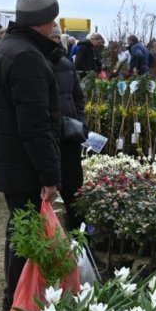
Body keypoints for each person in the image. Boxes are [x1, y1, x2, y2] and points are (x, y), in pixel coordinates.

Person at [0, 0, 62, 311]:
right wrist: (49, 175)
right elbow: (35, 125)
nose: (55, 25)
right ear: (40, 21)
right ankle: (18, 303)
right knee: (25, 234)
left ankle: (16, 300)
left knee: (19, 229)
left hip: (8, 158)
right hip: (22, 163)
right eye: (52, 19)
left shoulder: (7, 47)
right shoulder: (27, 57)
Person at [53, 31, 87, 231]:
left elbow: (78, 98)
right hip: (45, 137)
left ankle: (81, 239)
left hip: (68, 136)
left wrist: (81, 123)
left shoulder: (66, 65)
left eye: (56, 38)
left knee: (73, 192)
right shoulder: (34, 63)